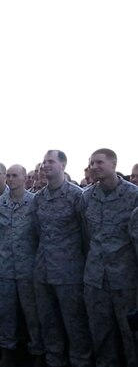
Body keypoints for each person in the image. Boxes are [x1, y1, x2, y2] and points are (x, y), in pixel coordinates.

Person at [31, 150, 92, 367]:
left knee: (75, 323)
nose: (45, 165)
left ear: (63, 165)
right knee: (48, 322)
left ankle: (80, 361)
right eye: (44, 162)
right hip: (43, 271)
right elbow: (37, 232)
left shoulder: (78, 196)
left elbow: (87, 234)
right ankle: (54, 360)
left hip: (69, 273)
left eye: (51, 161)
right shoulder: (38, 198)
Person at [79, 149, 138, 367]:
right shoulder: (86, 197)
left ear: (113, 164)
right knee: (101, 333)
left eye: (99, 162)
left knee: (130, 333)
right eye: (91, 163)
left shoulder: (134, 195)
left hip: (125, 279)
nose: (94, 167)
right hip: (95, 279)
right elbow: (86, 236)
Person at [0, 164, 43, 367]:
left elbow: (40, 233)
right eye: (9, 176)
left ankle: (38, 353)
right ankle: (7, 354)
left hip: (28, 269)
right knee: (4, 313)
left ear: (24, 178)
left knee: (33, 314)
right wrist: (2, 252)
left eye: (15, 176)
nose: (11, 179)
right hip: (3, 268)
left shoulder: (35, 202)